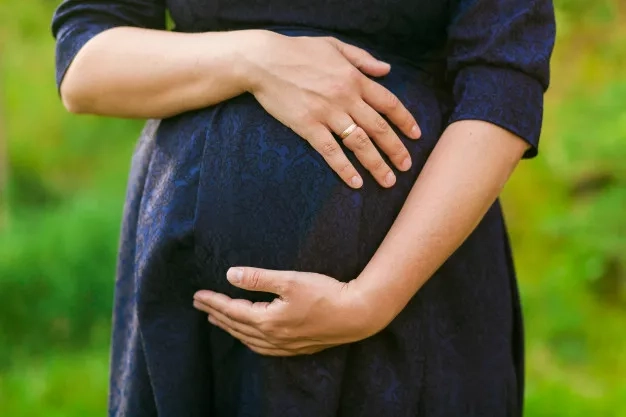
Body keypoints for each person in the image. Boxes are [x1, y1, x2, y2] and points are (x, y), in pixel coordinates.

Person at [52, 0, 555, 416]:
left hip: (410, 301)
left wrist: (369, 300)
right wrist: (252, 59)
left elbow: (502, 92)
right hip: (188, 307)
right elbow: (84, 62)